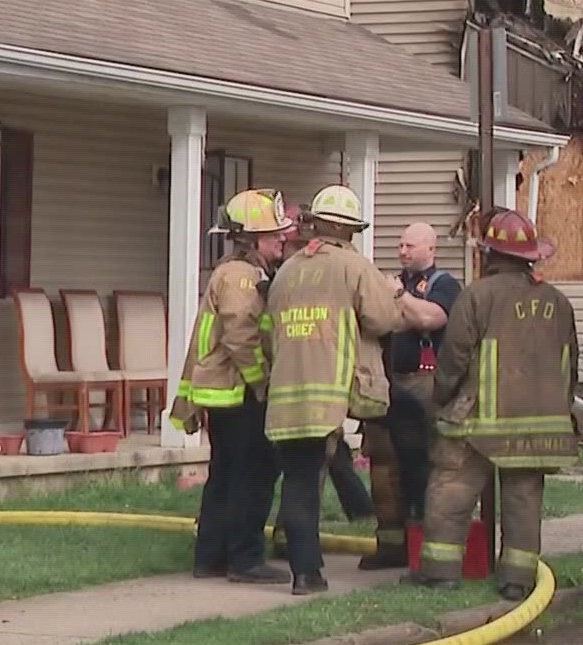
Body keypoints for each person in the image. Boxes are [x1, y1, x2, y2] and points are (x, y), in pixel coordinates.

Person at [404, 209, 577, 602]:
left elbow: (454, 359)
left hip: (479, 423)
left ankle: (440, 573)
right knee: (524, 502)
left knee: (451, 492)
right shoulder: (559, 303)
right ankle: (517, 580)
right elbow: (572, 366)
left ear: (489, 255)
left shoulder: (478, 296)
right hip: (539, 426)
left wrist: (442, 399)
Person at [263, 185, 407, 595]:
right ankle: (306, 576)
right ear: (349, 230)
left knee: (298, 479)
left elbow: (269, 334)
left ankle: (302, 565)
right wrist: (394, 296)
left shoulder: (287, 270)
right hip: (326, 396)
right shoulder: (353, 266)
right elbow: (382, 320)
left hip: (285, 393)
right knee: (309, 479)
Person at [172, 189, 291, 585]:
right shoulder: (242, 277)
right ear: (251, 239)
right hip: (239, 391)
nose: (282, 239)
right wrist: (262, 382)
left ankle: (211, 557)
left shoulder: (230, 272)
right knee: (252, 474)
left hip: (224, 391)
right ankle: (245, 559)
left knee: (225, 473)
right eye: (273, 235)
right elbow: (241, 336)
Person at [358, 223, 459, 570]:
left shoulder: (443, 285)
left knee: (425, 465)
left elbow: (432, 319)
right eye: (400, 245)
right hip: (389, 383)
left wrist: (399, 297)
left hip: (425, 385)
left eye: (410, 246)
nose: (402, 251)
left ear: (431, 249)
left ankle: (424, 543)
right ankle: (390, 545)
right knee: (384, 466)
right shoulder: (390, 283)